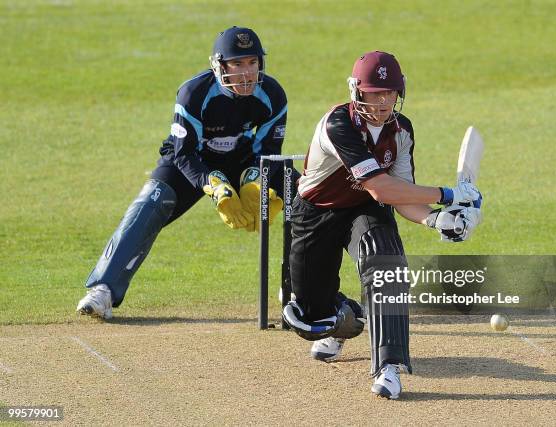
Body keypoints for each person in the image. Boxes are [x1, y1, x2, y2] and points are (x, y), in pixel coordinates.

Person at [281, 51, 482, 399]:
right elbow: (381, 185)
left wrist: (436, 219)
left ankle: (389, 366)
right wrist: (449, 194)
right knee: (310, 317)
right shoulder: (337, 125)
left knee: (386, 263)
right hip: (317, 211)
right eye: (375, 92)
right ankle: (343, 319)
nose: (383, 101)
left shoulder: (402, 131)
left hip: (367, 209)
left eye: (390, 92)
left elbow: (399, 195)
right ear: (357, 91)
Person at [77, 26, 292, 319]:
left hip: (243, 160)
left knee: (302, 188)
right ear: (220, 65)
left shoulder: (272, 94)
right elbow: (183, 151)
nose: (246, 73)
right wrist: (212, 184)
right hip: (191, 160)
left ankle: (302, 287)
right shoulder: (194, 92)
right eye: (237, 64)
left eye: (252, 62)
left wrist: (253, 181)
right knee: (150, 203)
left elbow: (268, 150)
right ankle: (102, 290)